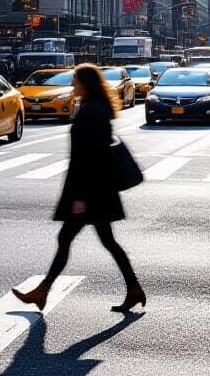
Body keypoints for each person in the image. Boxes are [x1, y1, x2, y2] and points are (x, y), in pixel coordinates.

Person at [12, 63, 145, 313]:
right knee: (104, 241)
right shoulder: (94, 108)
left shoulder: (92, 112)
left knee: (70, 238)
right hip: (97, 190)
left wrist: (80, 196)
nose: (72, 84)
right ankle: (133, 288)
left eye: (75, 80)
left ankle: (43, 291)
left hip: (91, 192)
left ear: (86, 83)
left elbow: (89, 157)